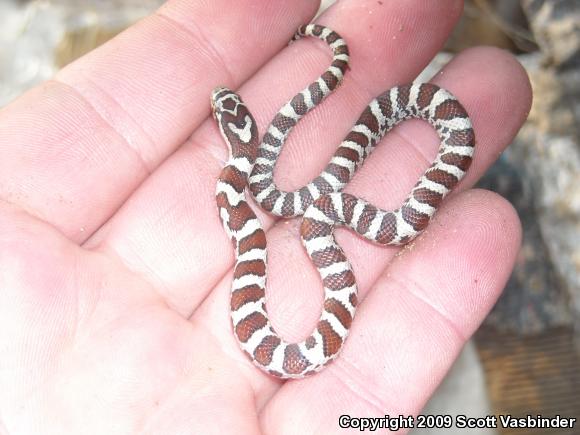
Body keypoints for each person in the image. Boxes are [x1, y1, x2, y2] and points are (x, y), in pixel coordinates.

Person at [0, 0, 531, 433]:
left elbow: (293, 212)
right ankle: (334, 94)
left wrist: (323, 211)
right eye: (224, 109)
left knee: (328, 207)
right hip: (285, 194)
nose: (217, 103)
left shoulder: (248, 192)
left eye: (224, 108)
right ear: (241, 135)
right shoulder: (244, 192)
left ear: (237, 134)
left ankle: (342, 91)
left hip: (318, 180)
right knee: (312, 213)